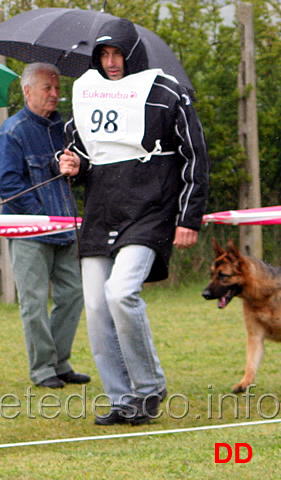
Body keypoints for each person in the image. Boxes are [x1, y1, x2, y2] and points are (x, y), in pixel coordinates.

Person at [59, 18, 210, 424]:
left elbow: (195, 156)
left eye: (117, 54)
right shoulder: (85, 95)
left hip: (149, 213)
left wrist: (188, 217)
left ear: (132, 53)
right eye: (103, 55)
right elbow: (81, 152)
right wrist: (72, 164)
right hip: (100, 213)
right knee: (95, 304)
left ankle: (148, 390)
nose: (110, 62)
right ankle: (122, 399)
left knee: (121, 293)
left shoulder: (166, 93)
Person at [0, 63, 90, 389]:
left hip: (67, 229)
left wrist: (75, 168)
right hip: (30, 232)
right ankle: (43, 370)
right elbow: (7, 187)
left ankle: (60, 362)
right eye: (47, 88)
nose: (55, 94)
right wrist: (42, 218)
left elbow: (75, 175)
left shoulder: (65, 129)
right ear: (27, 91)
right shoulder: (12, 132)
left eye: (58, 88)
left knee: (74, 295)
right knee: (33, 303)